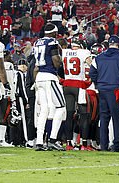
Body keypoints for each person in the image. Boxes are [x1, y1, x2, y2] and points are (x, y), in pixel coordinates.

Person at [90, 35, 119, 152]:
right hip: (116, 89)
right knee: (117, 117)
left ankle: (104, 145)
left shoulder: (98, 57)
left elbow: (92, 73)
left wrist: (99, 84)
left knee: (104, 117)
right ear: (118, 45)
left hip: (102, 89)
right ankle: (117, 144)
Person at [33, 23, 65, 151]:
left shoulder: (37, 43)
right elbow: (56, 62)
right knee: (61, 107)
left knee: (44, 110)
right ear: (54, 33)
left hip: (39, 76)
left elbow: (35, 66)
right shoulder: (52, 42)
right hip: (49, 77)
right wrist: (61, 60)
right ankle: (52, 139)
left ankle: (40, 141)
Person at [60, 38, 91, 149]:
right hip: (79, 85)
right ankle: (84, 144)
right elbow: (91, 66)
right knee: (84, 115)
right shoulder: (84, 53)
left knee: (69, 114)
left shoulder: (64, 52)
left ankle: (68, 143)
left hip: (67, 85)